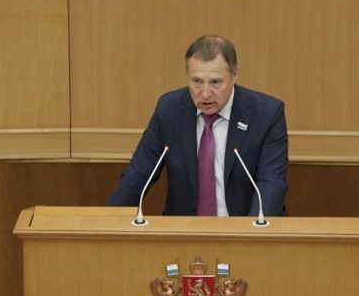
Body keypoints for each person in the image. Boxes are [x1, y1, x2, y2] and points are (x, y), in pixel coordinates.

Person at [108, 35, 288, 216]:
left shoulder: (266, 114)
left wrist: (252, 231)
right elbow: (138, 175)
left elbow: (271, 184)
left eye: (216, 82)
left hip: (244, 228)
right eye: (197, 82)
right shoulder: (170, 109)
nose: (205, 93)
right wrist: (110, 220)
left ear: (235, 75)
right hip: (184, 230)